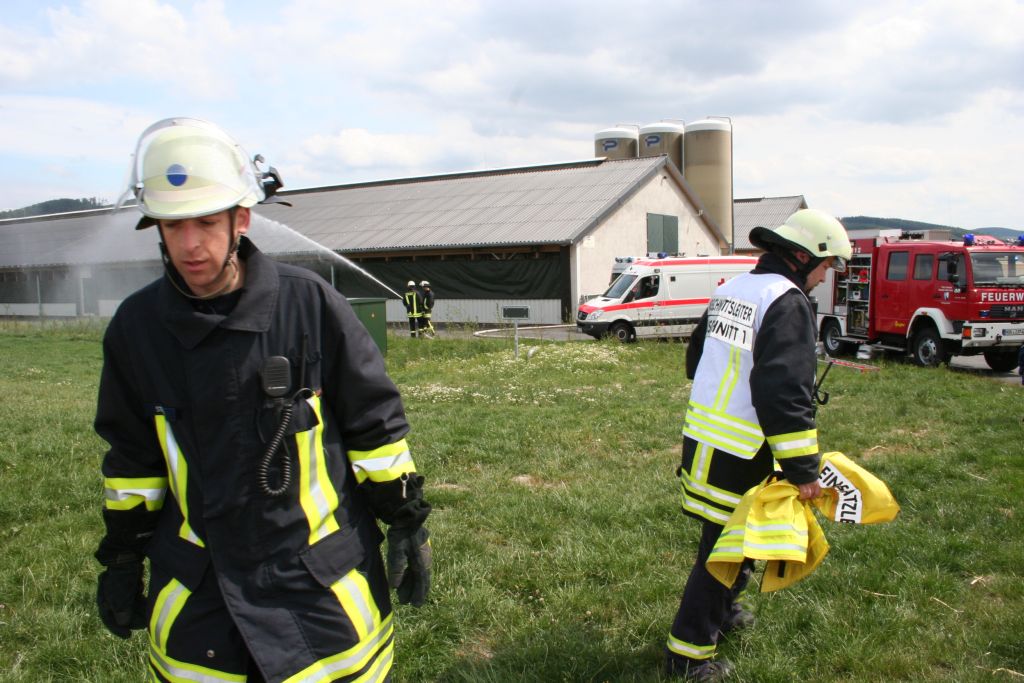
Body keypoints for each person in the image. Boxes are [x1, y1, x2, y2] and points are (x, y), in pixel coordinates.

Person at [93, 117, 432, 683]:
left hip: (319, 593)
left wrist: (405, 518)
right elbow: (132, 460)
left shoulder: (311, 307)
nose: (191, 244)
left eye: (207, 222)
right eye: (173, 226)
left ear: (241, 219)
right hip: (202, 601)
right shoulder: (137, 329)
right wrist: (123, 555)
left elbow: (375, 428)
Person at [664, 209, 852, 681]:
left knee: (736, 543)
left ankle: (723, 614)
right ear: (803, 257)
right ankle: (688, 657)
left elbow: (695, 359)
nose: (826, 276)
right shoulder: (787, 302)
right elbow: (783, 394)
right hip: (742, 452)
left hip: (706, 441)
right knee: (723, 555)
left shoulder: (733, 289)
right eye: (827, 265)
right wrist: (804, 471)